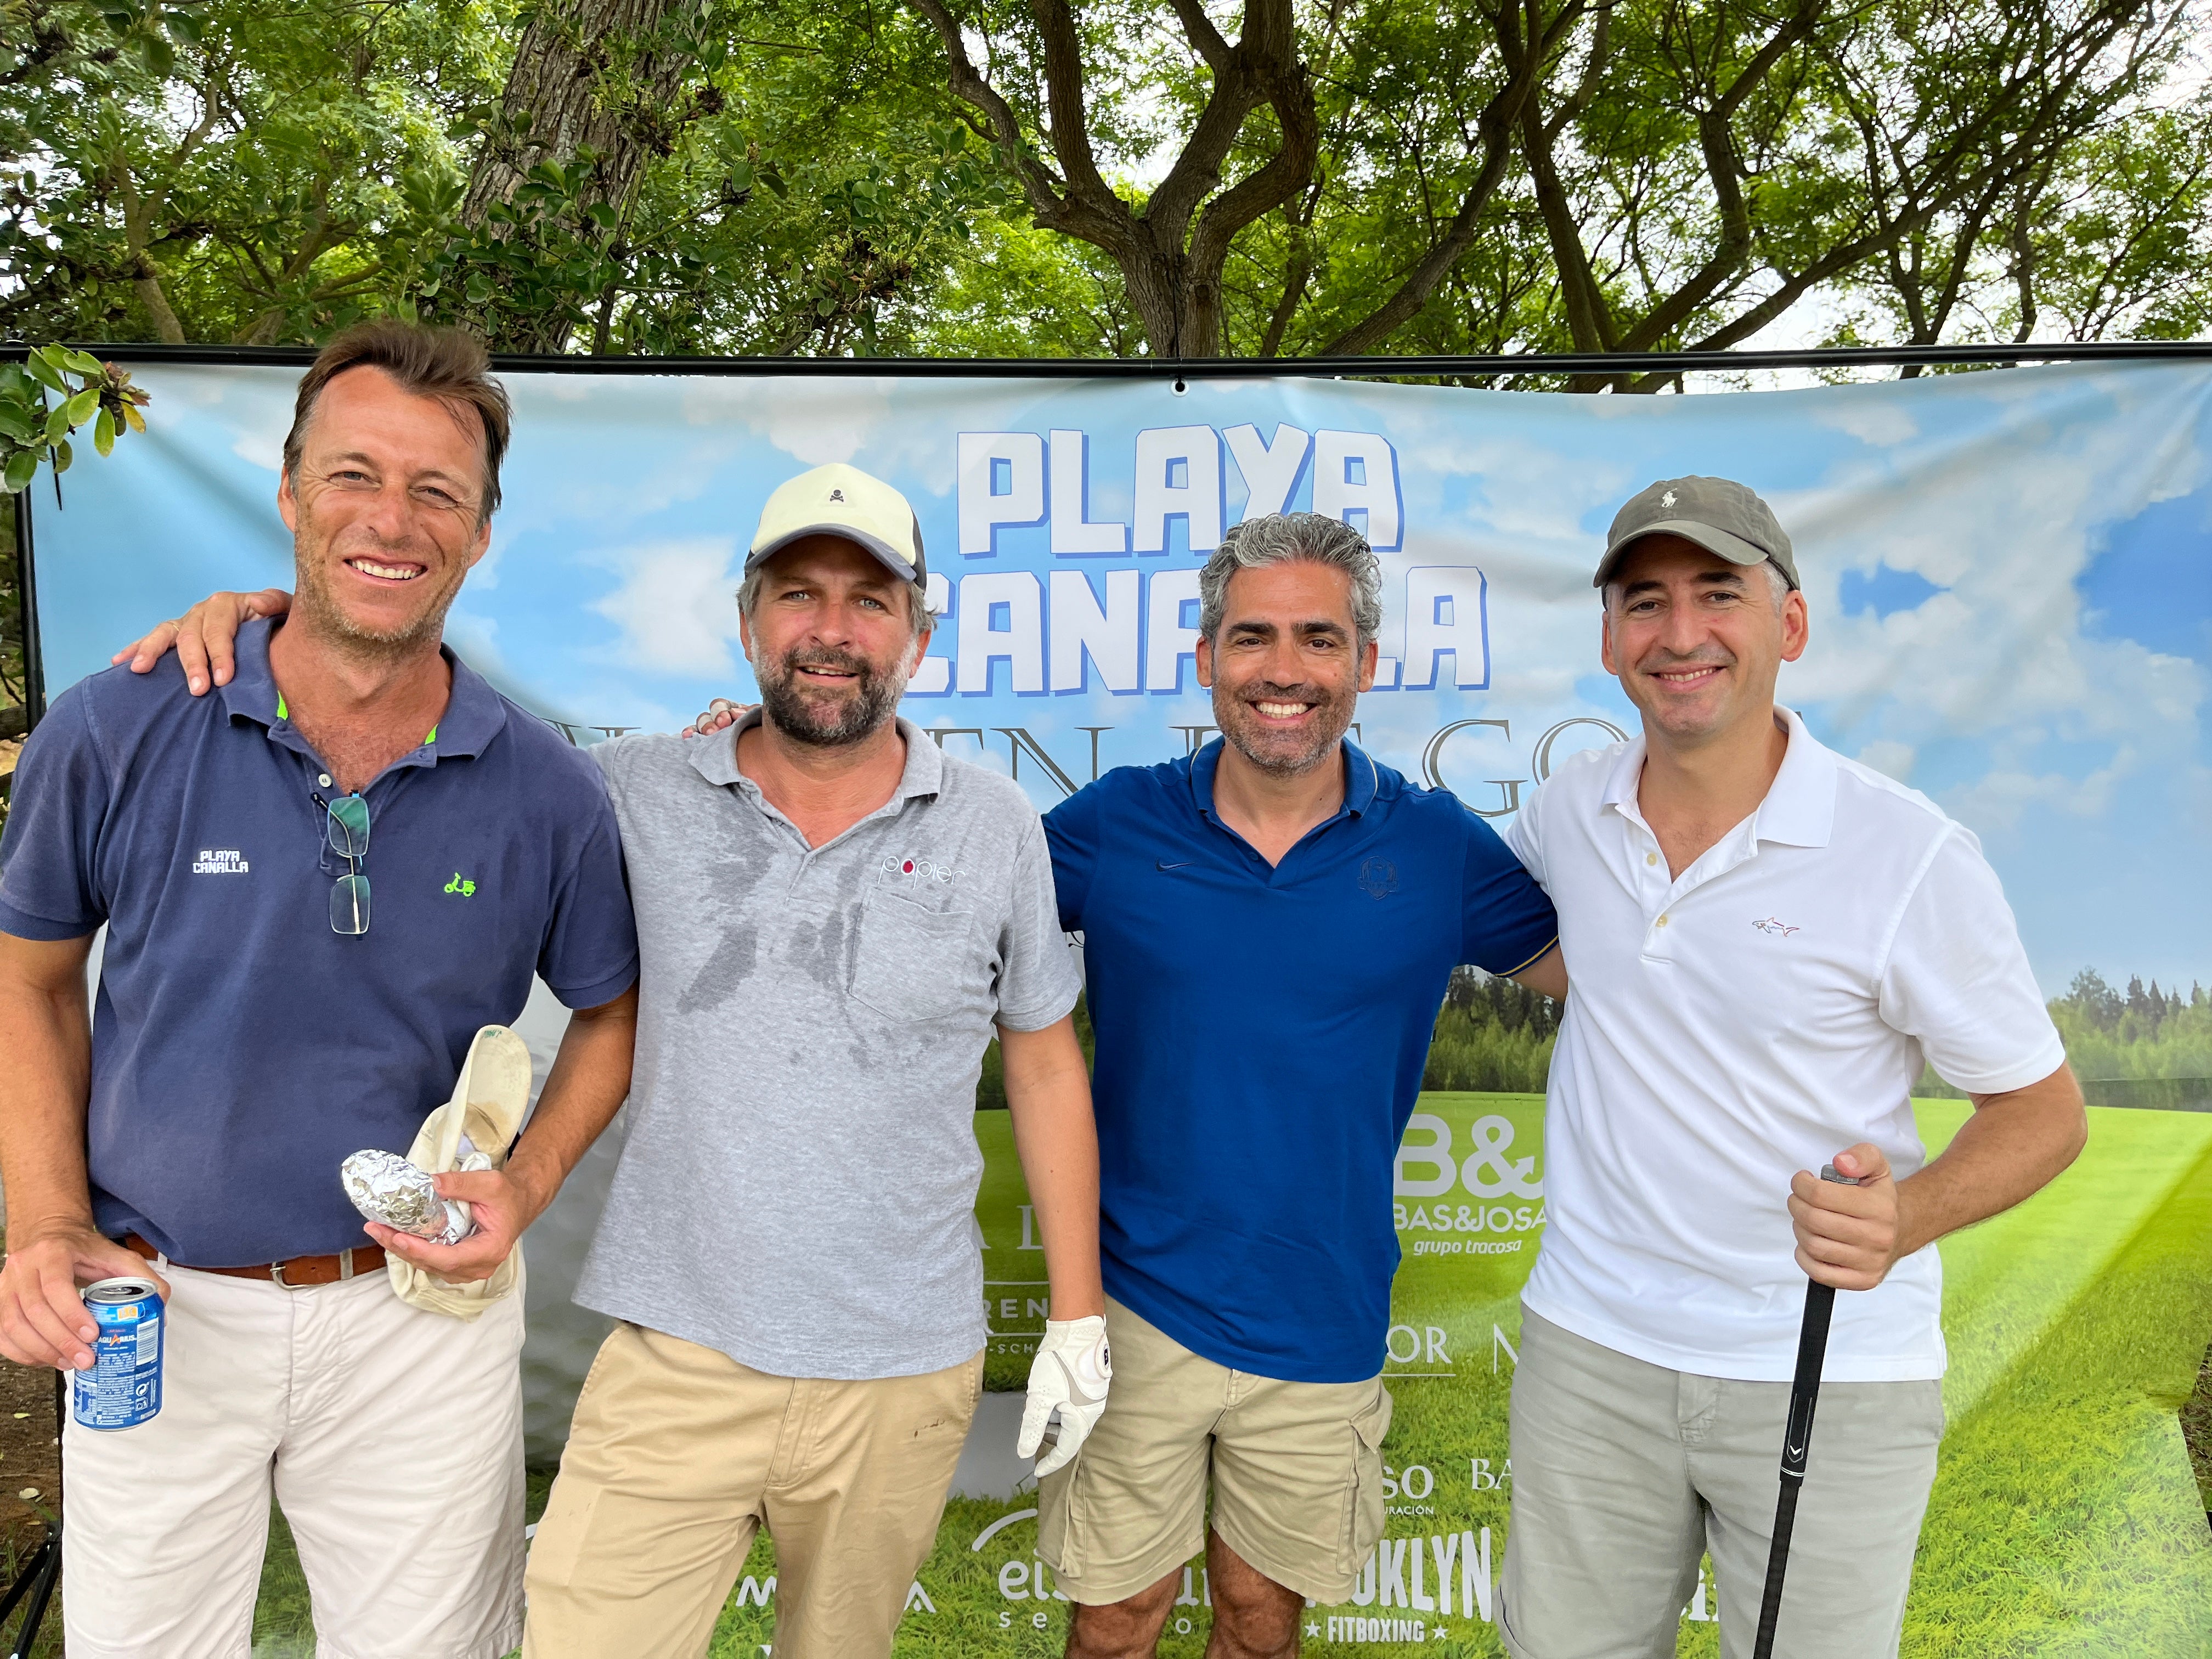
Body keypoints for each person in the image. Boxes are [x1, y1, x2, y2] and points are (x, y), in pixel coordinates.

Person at [119, 461, 1108, 1659]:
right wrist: (271, 622)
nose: (832, 633)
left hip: (901, 1373)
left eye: (871, 601)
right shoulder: (627, 790)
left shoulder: (995, 823)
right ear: (748, 619)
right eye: (799, 596)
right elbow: (424, 732)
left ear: (920, 631)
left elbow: (1048, 1069)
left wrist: (1076, 1321)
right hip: (674, 1359)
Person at [691, 511, 1564, 1657]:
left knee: (1260, 1623)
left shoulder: (1437, 847)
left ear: (1365, 663)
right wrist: (766, 763)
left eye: (1318, 638)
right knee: (1114, 1622)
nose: (1284, 672)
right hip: (1130, 1305)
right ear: (1206, 661)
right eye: (1252, 639)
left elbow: (1602, 987)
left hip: (1326, 1315)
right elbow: (930, 901)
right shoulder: (1118, 824)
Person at [0, 321, 641, 1659]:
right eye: (353, 475)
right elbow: (32, 980)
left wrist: (521, 1189)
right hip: (155, 1307)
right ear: (289, 496)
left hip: (421, 1319)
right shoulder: (118, 726)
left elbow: (609, 1013)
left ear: (479, 534)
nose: (390, 520)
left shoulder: (549, 788)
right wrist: (50, 1221)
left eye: (436, 492)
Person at [1493, 477, 2086, 1659]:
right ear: (1610, 640)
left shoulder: (1907, 852)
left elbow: (2044, 1112)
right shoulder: (1571, 809)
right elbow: (1575, 960)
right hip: (1592, 1354)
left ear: (1791, 626)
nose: (1681, 633)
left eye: (1720, 593)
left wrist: (1906, 1215)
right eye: (1646, 602)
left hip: (1828, 1363)